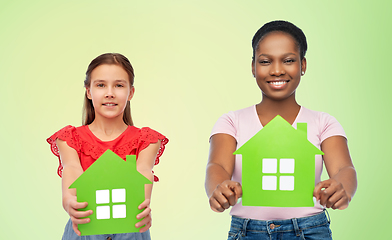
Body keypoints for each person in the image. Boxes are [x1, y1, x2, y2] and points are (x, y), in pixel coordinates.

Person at [205, 20, 357, 240]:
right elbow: (217, 164)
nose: (277, 70)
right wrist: (218, 189)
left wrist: (343, 188)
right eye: (265, 61)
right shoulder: (232, 121)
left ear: (302, 65)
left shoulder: (323, 122)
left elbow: (344, 168)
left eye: (288, 60)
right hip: (248, 232)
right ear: (253, 66)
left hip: (310, 230)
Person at [47, 53, 168, 240]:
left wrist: (141, 206)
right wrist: (69, 200)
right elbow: (71, 169)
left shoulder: (146, 140)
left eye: (119, 85)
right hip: (84, 228)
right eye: (101, 85)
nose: (109, 92)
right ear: (88, 91)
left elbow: (143, 172)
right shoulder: (70, 138)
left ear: (131, 93)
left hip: (130, 228)